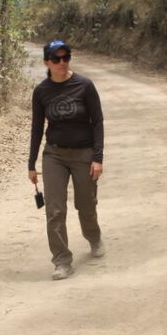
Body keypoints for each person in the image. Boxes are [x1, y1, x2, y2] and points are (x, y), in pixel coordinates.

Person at [28, 39, 104, 280]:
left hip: (84, 154)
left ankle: (94, 237)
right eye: (56, 59)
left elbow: (98, 122)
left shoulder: (85, 85)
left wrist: (97, 158)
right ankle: (61, 260)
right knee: (54, 210)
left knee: (86, 204)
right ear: (47, 62)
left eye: (66, 57)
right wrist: (31, 164)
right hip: (54, 155)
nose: (62, 63)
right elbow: (37, 129)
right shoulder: (41, 91)